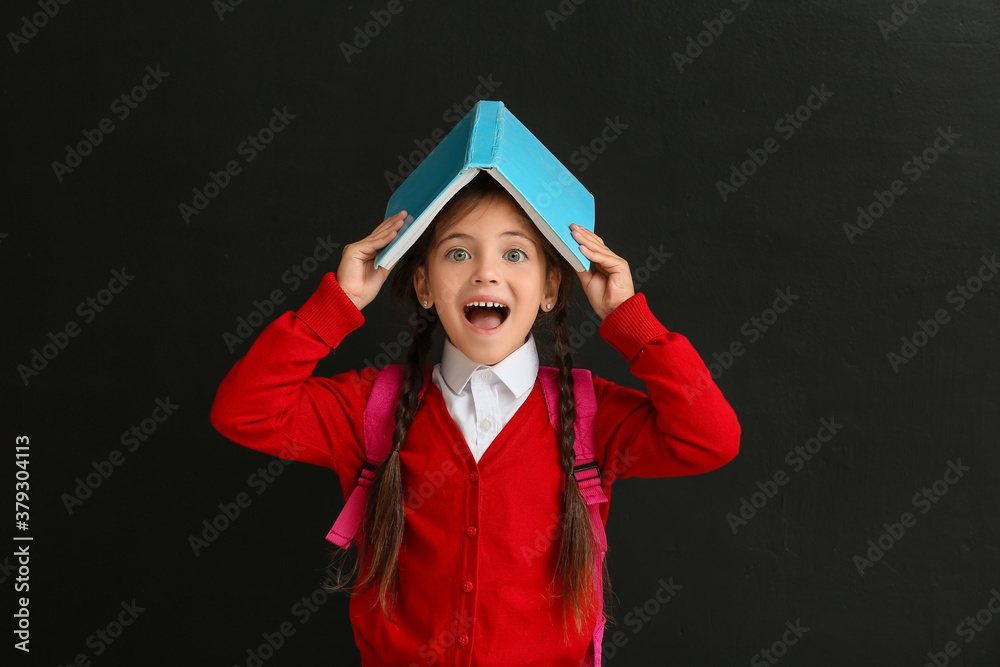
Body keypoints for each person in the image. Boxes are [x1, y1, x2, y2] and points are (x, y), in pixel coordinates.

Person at [210, 172, 740, 666]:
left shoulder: (591, 416)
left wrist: (630, 321)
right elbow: (245, 412)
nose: (486, 271)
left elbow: (709, 439)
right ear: (423, 284)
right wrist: (338, 303)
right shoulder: (370, 408)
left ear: (552, 288)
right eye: (459, 252)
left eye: (515, 253)